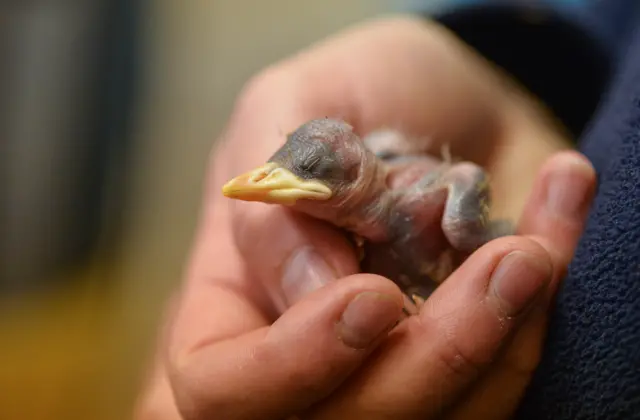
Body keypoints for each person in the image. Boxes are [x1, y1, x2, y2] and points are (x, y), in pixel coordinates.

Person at [134, 1, 640, 419]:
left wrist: (464, 231)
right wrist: (504, 51)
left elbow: (464, 177)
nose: (276, 183)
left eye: (315, 171)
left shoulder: (410, 192)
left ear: (354, 175)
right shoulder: (356, 238)